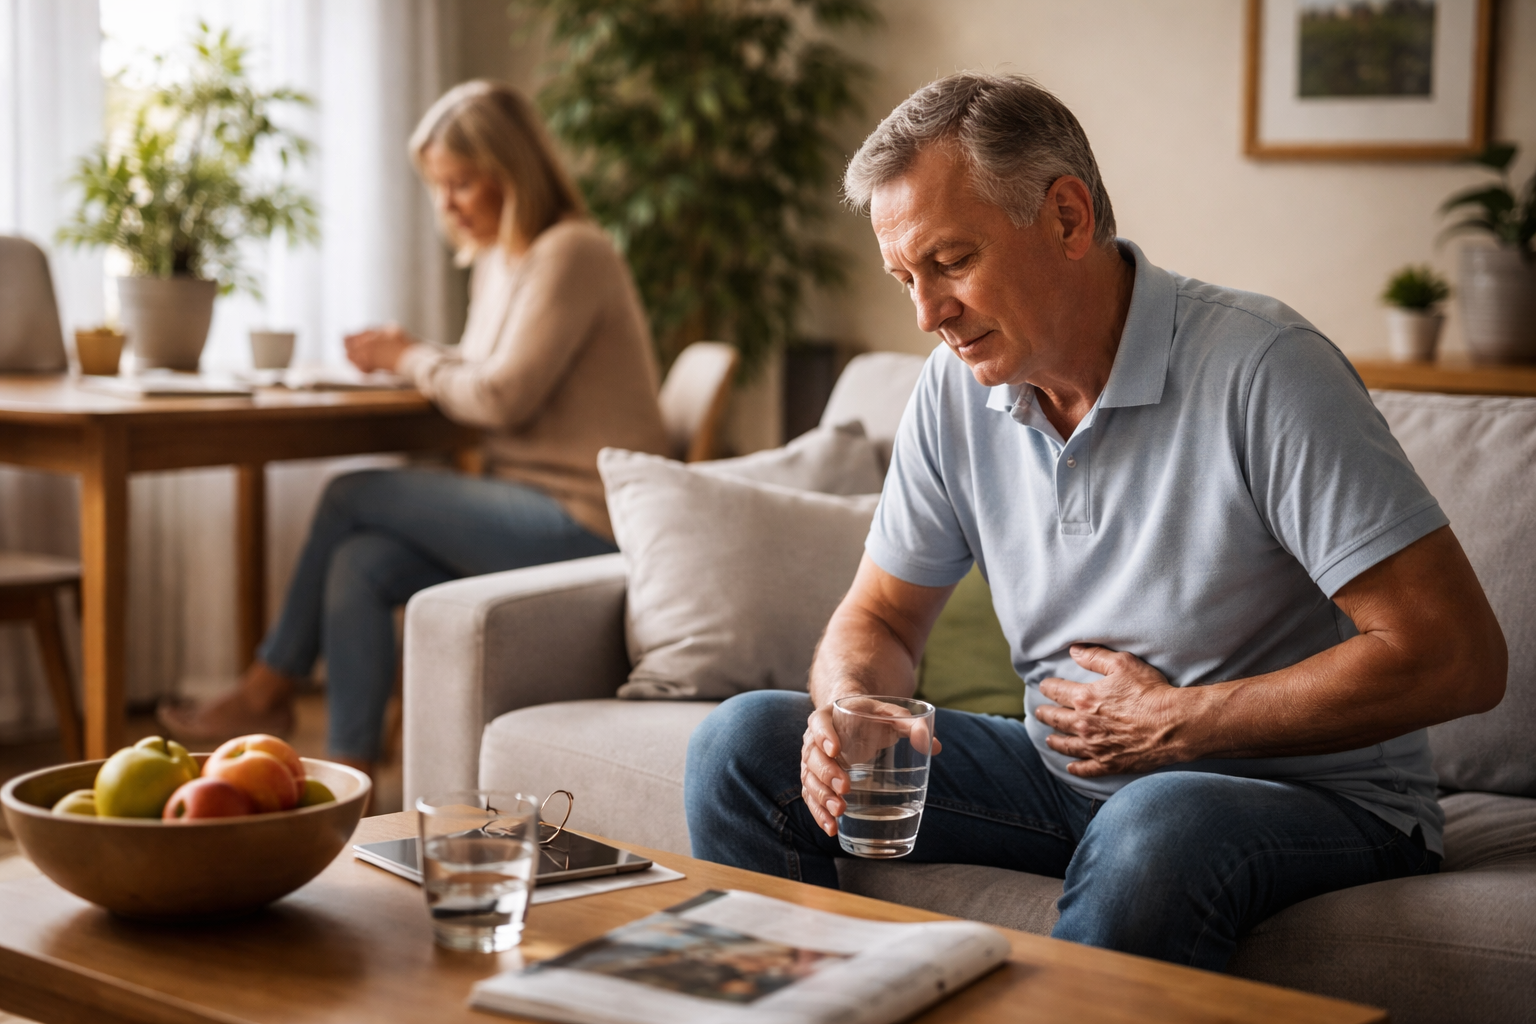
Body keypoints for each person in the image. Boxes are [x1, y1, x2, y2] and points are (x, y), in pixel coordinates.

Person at [683, 72, 1508, 972]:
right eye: (905, 278)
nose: (927, 315)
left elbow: (1457, 656)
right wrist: (851, 707)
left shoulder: (1265, 370)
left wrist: (1182, 722)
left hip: (1313, 796)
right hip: (1066, 776)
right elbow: (880, 619)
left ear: (1068, 219)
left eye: (952, 263)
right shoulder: (955, 392)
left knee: (1158, 819)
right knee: (744, 745)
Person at [161, 81, 670, 773]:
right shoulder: (501, 259)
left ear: (511, 172)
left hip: (585, 520)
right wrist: (415, 357)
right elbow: (484, 367)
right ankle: (354, 776)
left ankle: (265, 687)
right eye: (438, 186)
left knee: (350, 495)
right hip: (523, 508)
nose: (447, 204)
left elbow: (499, 397)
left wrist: (411, 357)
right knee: (359, 562)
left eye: (461, 183)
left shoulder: (571, 252)